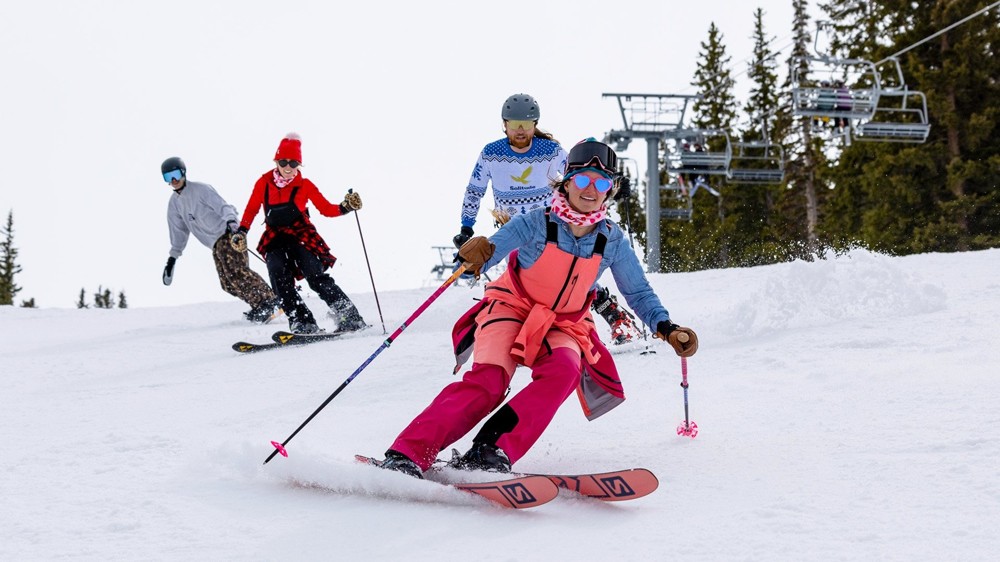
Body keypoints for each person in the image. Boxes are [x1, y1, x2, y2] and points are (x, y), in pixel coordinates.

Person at [378, 139, 699, 478]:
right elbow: (490, 252)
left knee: (565, 370)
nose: (591, 190)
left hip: (564, 324)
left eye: (602, 183)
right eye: (583, 180)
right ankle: (407, 453)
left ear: (611, 190)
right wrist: (474, 258)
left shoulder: (612, 240)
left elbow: (638, 292)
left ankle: (491, 450)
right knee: (489, 381)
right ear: (567, 182)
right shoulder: (536, 222)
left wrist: (666, 328)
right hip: (511, 307)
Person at [453, 93, 639, 344]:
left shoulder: (551, 151)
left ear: (535, 125)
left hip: (549, 227)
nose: (521, 130)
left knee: (571, 279)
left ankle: (610, 320)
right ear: (504, 124)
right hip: (512, 227)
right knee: (523, 282)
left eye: (527, 124)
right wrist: (466, 227)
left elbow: (580, 173)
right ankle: (515, 331)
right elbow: (475, 190)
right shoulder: (491, 153)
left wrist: (612, 183)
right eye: (515, 124)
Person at [236, 133, 367, 335]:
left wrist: (345, 207)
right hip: (275, 238)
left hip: (301, 236)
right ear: (276, 162)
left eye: (294, 163)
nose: (288, 167)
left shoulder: (305, 185)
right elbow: (251, 209)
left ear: (299, 165)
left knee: (314, 275)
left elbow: (326, 209)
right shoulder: (263, 183)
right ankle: (302, 321)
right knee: (278, 275)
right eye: (283, 162)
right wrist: (241, 231)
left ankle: (349, 316)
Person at [160, 156, 279, 323]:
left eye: (176, 175)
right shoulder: (174, 204)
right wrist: (172, 258)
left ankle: (269, 301)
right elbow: (178, 231)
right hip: (215, 244)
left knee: (237, 272)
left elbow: (222, 206)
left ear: (184, 173)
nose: (173, 180)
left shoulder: (200, 189)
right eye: (168, 177)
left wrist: (232, 223)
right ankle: (260, 305)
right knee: (227, 283)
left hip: (228, 233)